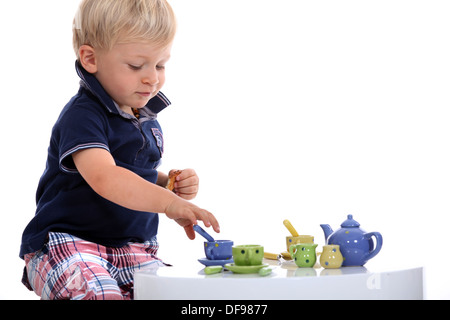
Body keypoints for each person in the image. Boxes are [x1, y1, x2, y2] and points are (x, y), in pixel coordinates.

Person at [19, 0, 219, 300]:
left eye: (160, 65)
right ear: (90, 58)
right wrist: (167, 203)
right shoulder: (83, 115)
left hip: (133, 248)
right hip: (69, 245)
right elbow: (106, 177)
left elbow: (132, 174)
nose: (152, 77)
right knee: (100, 295)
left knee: (173, 294)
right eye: (137, 66)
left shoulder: (143, 117)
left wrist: (168, 184)